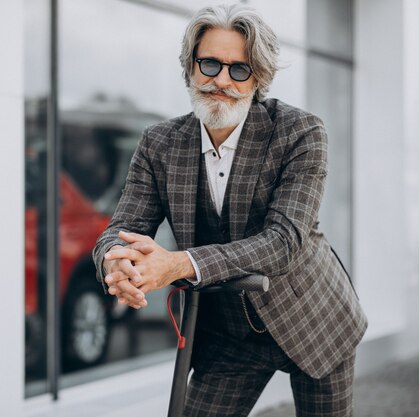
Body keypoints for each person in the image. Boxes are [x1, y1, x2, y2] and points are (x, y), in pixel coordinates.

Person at [93, 4, 367, 417]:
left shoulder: (301, 132)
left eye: (239, 69)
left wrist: (178, 264)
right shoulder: (159, 143)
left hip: (313, 321)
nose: (221, 80)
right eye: (209, 64)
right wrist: (116, 263)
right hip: (227, 335)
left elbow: (283, 243)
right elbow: (123, 228)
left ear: (259, 78)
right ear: (191, 66)